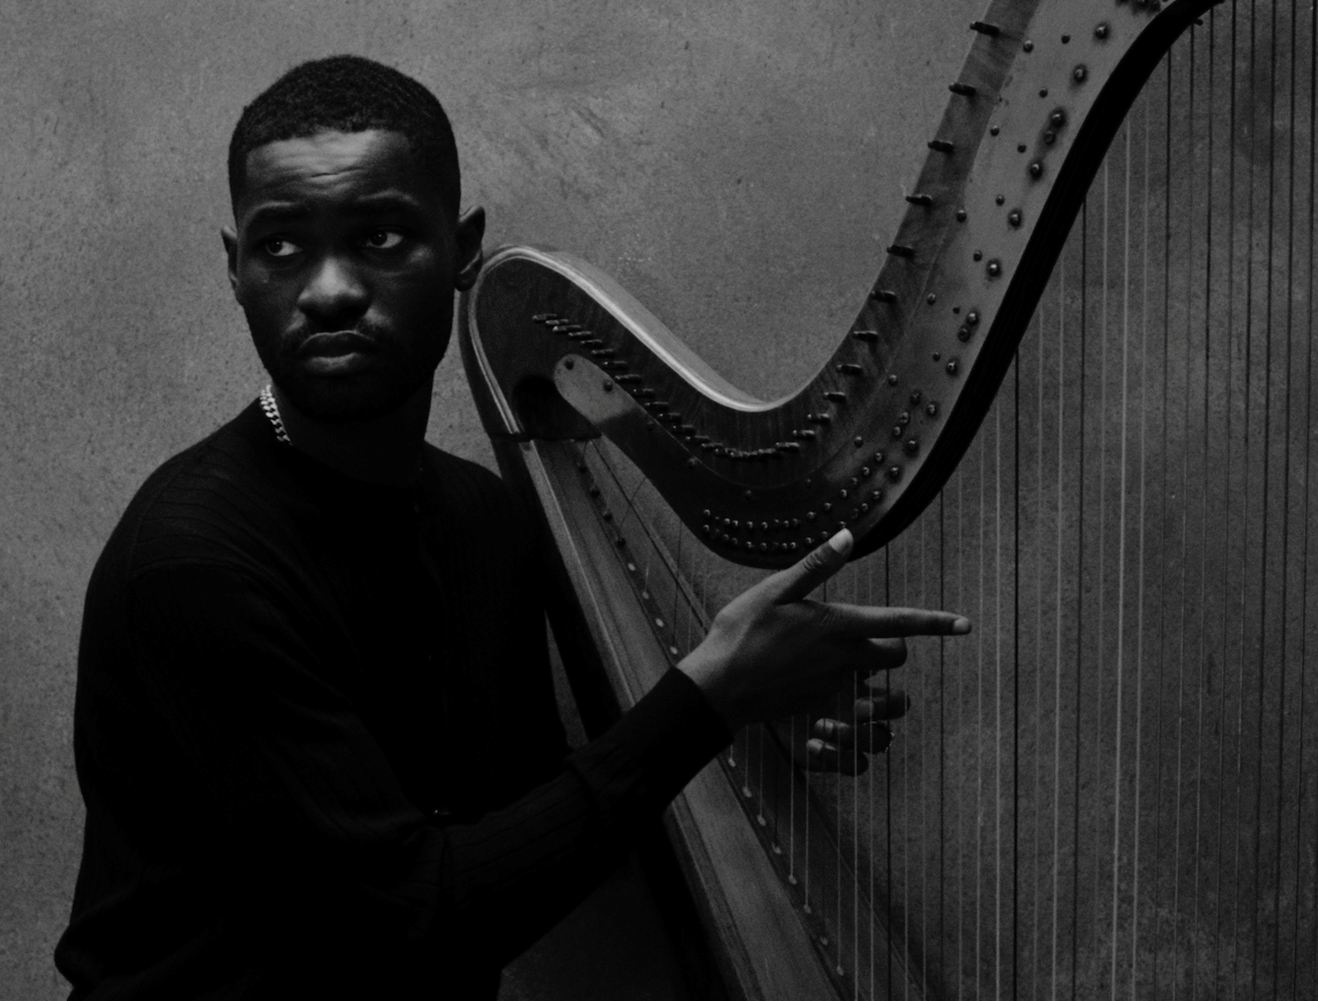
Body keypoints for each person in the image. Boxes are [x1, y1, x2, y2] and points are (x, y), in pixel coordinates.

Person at [54, 55, 969, 999]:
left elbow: (524, 821)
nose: (327, 288)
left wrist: (745, 717)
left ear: (462, 251)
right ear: (235, 268)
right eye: (280, 245)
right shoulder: (193, 562)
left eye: (379, 235)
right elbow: (412, 920)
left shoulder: (480, 518)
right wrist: (706, 701)